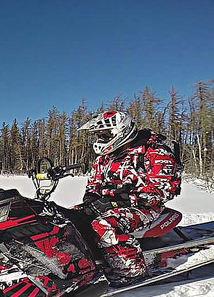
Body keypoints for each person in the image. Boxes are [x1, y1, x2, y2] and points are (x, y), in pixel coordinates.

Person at [77, 111, 181, 287]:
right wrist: (91, 200)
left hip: (145, 208)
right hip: (110, 205)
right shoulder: (105, 158)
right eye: (99, 135)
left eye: (105, 135)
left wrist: (121, 199)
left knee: (103, 226)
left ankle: (131, 271)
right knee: (68, 219)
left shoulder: (155, 152)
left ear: (121, 131)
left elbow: (162, 190)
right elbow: (93, 185)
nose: (101, 139)